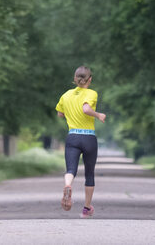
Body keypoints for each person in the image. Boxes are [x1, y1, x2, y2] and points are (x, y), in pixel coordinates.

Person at [55, 66, 107, 218]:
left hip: (72, 137)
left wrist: (70, 113)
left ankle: (68, 185)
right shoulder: (91, 93)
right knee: (89, 174)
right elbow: (86, 109)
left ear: (75, 78)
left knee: (71, 170)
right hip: (88, 137)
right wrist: (98, 115)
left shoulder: (66, 95)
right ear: (89, 79)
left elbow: (60, 114)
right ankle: (86, 209)